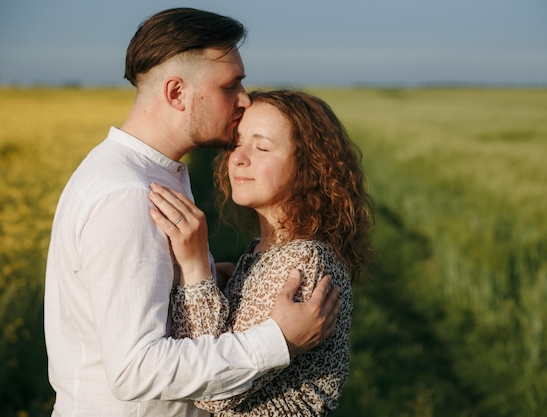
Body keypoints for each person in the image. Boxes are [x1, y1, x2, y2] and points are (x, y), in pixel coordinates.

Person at [44, 9, 341, 417]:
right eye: (229, 85)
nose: (245, 98)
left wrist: (207, 280)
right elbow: (135, 370)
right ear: (176, 93)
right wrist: (278, 339)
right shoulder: (127, 193)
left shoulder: (154, 175)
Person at [149, 90, 374, 416]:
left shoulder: (302, 261)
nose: (238, 158)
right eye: (236, 143)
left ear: (310, 166)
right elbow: (227, 345)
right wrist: (224, 290)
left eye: (262, 146)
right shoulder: (266, 250)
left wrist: (195, 266)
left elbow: (212, 392)